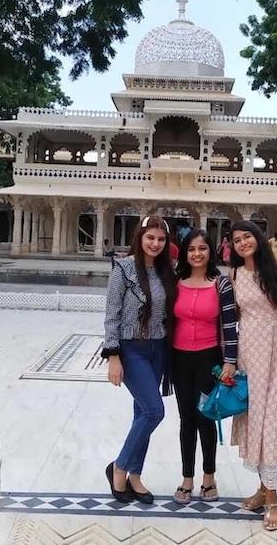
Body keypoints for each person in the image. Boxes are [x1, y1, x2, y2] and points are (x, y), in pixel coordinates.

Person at [229, 220, 277, 532]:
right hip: (249, 357)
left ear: (258, 238)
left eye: (248, 237)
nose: (243, 243)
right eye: (236, 240)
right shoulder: (234, 275)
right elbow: (233, 318)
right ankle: (263, 488)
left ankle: (273, 499)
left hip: (276, 355)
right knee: (256, 423)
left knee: (271, 423)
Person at [101, 215, 178, 504]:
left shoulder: (166, 271)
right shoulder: (122, 269)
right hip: (131, 348)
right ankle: (119, 467)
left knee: (141, 413)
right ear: (140, 238)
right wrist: (113, 356)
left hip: (157, 349)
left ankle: (135, 475)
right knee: (154, 411)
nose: (155, 243)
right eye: (150, 238)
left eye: (160, 239)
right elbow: (112, 314)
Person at [170, 229, 238, 505]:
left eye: (202, 248)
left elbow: (231, 325)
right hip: (180, 358)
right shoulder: (175, 281)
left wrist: (230, 361)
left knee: (205, 417)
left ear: (211, 251)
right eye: (191, 249)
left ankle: (208, 477)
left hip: (208, 358)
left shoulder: (220, 284)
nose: (197, 254)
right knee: (186, 419)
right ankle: (187, 478)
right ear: (185, 253)